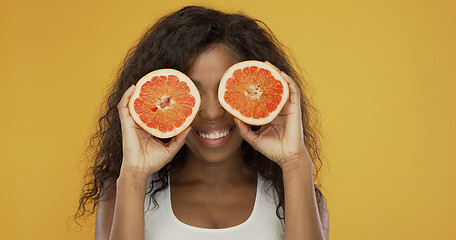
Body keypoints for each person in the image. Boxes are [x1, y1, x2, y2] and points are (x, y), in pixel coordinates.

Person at [76, 5, 329, 240]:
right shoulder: (120, 194)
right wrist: (133, 174)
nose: (210, 113)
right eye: (193, 94)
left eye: (225, 92)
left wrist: (295, 161)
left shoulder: (298, 193)